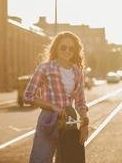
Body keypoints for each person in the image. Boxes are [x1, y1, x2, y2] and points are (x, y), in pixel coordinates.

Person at [24, 31, 89, 163]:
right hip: (48, 119)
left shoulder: (77, 72)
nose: (67, 51)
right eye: (63, 47)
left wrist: (84, 124)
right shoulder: (45, 68)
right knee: (40, 160)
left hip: (69, 120)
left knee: (68, 160)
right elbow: (28, 96)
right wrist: (52, 106)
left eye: (71, 48)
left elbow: (80, 102)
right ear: (56, 48)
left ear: (75, 51)